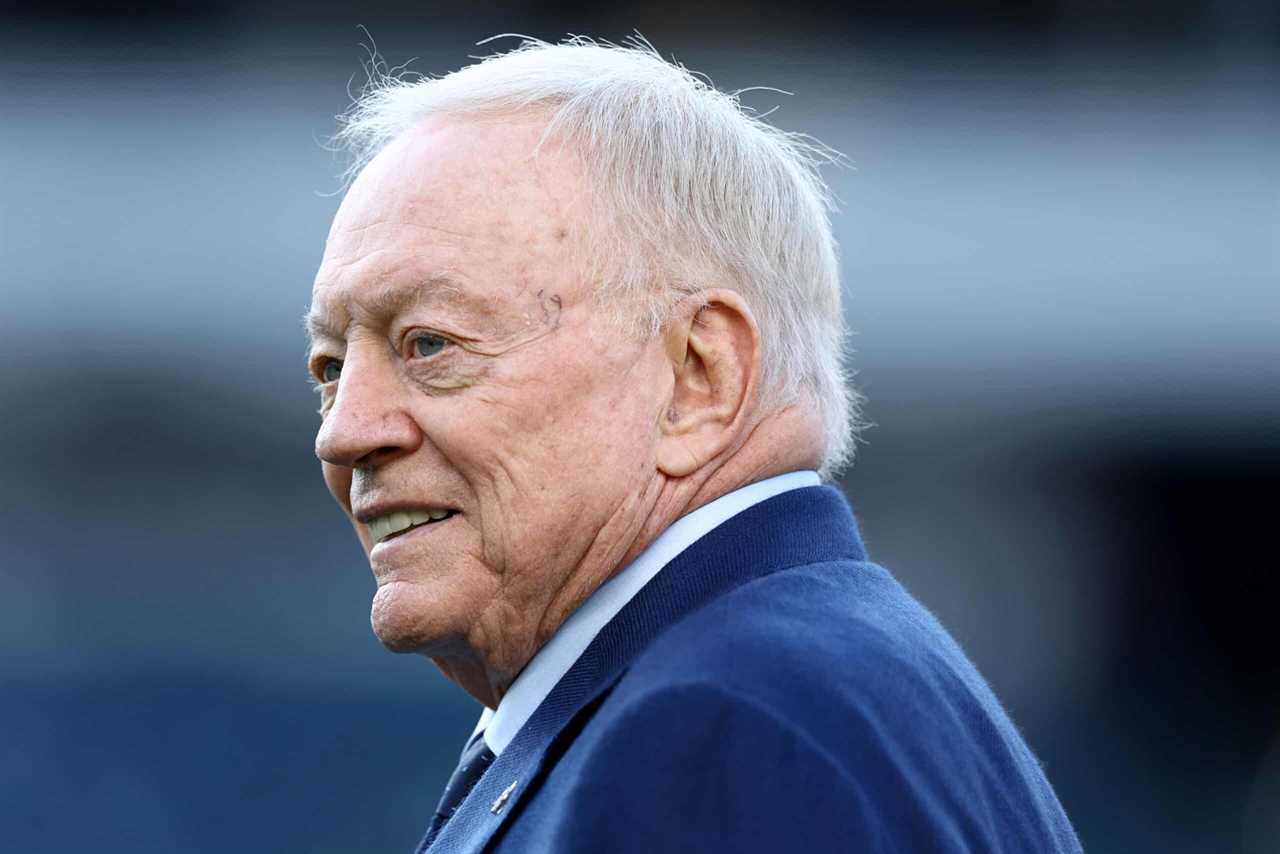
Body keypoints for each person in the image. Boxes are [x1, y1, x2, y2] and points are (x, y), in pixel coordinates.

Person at [305, 36, 1081, 853]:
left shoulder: (724, 730)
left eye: (429, 344)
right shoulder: (771, 688)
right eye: (328, 366)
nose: (344, 430)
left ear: (697, 378)